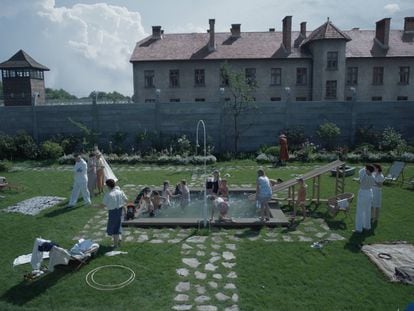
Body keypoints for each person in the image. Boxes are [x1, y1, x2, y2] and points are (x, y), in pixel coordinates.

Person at [101, 179, 127, 247]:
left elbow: (103, 205)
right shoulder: (120, 192)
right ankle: (119, 238)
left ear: (108, 186)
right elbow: (125, 200)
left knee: (114, 228)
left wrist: (95, 206)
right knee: (118, 225)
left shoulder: (108, 194)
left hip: (113, 212)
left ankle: (115, 245)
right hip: (120, 210)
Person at [354, 164, 375, 233]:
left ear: (368, 170)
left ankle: (358, 229)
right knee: (367, 210)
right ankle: (367, 226)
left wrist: (365, 168)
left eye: (366, 169)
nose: (365, 170)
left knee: (360, 211)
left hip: (363, 193)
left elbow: (360, 172)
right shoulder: (373, 176)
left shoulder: (364, 176)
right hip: (369, 193)